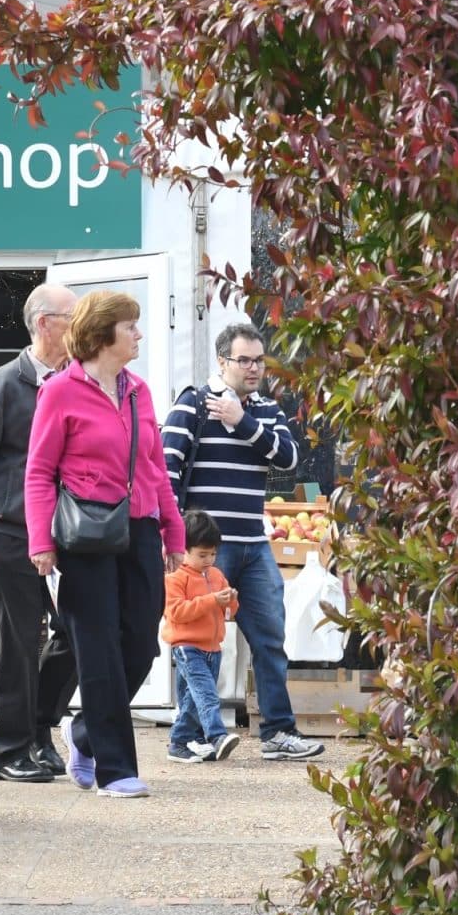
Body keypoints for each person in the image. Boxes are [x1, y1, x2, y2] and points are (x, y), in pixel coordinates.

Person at [25, 289, 185, 800]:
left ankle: (85, 733)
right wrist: (40, 539)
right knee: (97, 652)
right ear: (102, 335)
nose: (138, 334)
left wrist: (173, 531)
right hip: (85, 534)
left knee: (139, 642)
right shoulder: (59, 391)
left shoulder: (139, 390)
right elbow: (39, 471)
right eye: (130, 326)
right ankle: (115, 770)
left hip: (138, 529)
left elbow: (156, 467)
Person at [160, 323, 324, 763]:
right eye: (244, 360)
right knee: (199, 641)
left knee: (269, 638)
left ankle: (278, 732)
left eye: (259, 360)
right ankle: (188, 736)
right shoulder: (192, 404)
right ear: (222, 361)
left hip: (254, 544)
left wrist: (243, 422)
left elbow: (290, 460)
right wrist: (171, 538)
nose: (254, 368)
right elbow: (166, 470)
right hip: (205, 551)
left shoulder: (266, 410)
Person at [0, 282, 80, 784]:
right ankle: (9, 749)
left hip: (72, 534)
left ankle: (38, 729)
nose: (82, 326)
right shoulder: (3, 385)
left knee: (73, 634)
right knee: (19, 641)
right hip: (9, 533)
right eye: (73, 317)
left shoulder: (79, 382)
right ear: (44, 324)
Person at [163, 510, 241, 764]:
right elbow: (176, 612)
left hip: (212, 646)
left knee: (194, 698)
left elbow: (228, 612)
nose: (209, 560)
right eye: (202, 554)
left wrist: (231, 600)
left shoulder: (216, 575)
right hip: (187, 646)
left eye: (213, 554)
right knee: (205, 694)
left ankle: (180, 741)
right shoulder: (176, 577)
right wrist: (211, 601)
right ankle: (216, 736)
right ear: (184, 550)